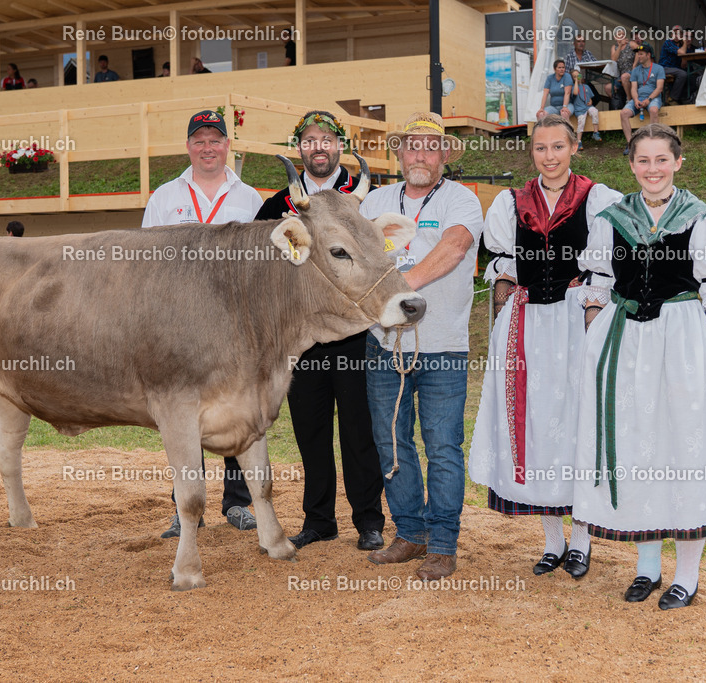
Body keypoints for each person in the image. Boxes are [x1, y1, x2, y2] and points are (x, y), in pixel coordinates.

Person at [574, 123, 706, 610]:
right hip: (624, 341)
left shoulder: (705, 219)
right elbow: (599, 280)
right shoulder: (612, 218)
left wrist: (705, 346)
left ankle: (686, 575)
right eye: (643, 161)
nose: (653, 169)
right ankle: (647, 567)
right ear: (631, 165)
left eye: (662, 160)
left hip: (680, 340)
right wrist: (594, 330)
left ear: (678, 163)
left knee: (684, 449)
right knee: (634, 448)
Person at [470, 115, 620, 582]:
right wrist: (502, 311)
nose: (549, 156)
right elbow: (503, 266)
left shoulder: (598, 199)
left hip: (576, 321)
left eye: (558, 147)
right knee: (535, 427)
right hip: (528, 322)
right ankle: (552, 539)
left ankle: (582, 541)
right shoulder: (511, 203)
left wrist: (593, 318)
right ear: (531, 152)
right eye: (540, 148)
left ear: (574, 148)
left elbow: (605, 267)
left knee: (578, 422)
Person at [254, 111, 385, 552]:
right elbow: (260, 266)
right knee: (310, 431)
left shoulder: (366, 199)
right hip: (302, 340)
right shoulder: (277, 207)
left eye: (326, 139)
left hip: (353, 336)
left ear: (340, 146)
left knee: (358, 429)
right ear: (300, 149)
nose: (319, 148)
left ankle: (369, 519)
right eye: (309, 140)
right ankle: (319, 519)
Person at [361, 112, 483, 581]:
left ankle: (444, 542)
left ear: (445, 155)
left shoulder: (462, 200)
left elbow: (453, 248)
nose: (420, 154)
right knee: (391, 442)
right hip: (384, 344)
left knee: (443, 447)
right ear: (398, 152)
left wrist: (403, 287)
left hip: (443, 346)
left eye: (430, 146)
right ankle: (410, 533)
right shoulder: (375, 200)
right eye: (412, 145)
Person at [142, 110, 263, 538]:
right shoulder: (163, 196)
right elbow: (145, 259)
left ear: (227, 145)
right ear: (188, 146)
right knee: (182, 412)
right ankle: (184, 506)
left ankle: (238, 502)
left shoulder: (250, 199)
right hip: (180, 324)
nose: (208, 148)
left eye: (215, 140)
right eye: (199, 140)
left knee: (235, 408)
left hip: (235, 323)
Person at [620, 45, 665, 156]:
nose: (638, 56)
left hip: (653, 97)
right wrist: (635, 99)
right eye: (637, 54)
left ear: (648, 55)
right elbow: (633, 88)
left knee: (654, 110)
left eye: (641, 54)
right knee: (623, 113)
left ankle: (653, 143)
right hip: (639, 98)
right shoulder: (635, 71)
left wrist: (649, 99)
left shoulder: (659, 68)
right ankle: (630, 144)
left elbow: (659, 88)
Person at [571, 69, 601, 150]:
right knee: (581, 121)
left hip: (587, 106)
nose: (577, 77)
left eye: (578, 75)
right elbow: (576, 93)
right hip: (580, 108)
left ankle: (595, 132)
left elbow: (590, 97)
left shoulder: (586, 86)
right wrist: (576, 82)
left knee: (595, 111)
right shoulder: (573, 87)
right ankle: (579, 141)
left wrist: (590, 100)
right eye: (575, 76)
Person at [659, 26, 690, 104]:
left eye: (678, 33)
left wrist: (684, 59)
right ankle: (672, 98)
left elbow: (684, 61)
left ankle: (686, 98)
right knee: (683, 74)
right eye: (674, 33)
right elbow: (682, 53)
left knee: (690, 74)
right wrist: (685, 42)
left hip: (675, 69)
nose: (676, 35)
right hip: (664, 68)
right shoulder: (668, 42)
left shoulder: (680, 44)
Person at [611, 26, 639, 103]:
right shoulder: (614, 47)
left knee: (624, 77)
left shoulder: (631, 44)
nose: (622, 36)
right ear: (615, 37)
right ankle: (619, 105)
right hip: (620, 74)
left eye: (623, 34)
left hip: (632, 72)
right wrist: (620, 46)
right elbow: (614, 60)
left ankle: (630, 99)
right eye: (619, 34)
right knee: (608, 88)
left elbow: (640, 50)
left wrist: (635, 65)